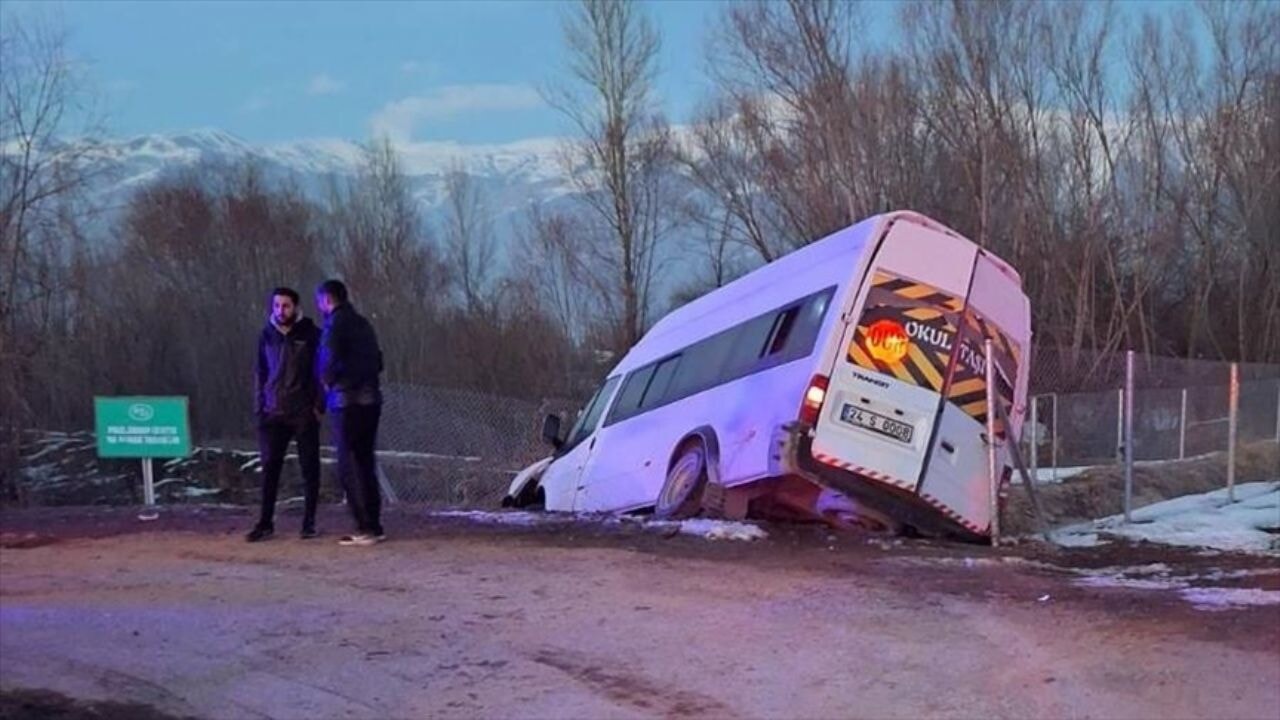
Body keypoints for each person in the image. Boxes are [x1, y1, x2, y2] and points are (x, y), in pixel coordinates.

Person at [247, 287, 323, 542]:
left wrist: (319, 406)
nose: (281, 310)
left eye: (286, 305)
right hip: (272, 412)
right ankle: (265, 523)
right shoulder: (266, 335)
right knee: (270, 469)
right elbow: (260, 373)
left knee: (309, 468)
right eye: (277, 306)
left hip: (303, 411)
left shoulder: (311, 334)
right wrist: (259, 407)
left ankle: (309, 522)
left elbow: (321, 372)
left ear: (296, 307)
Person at [315, 279, 387, 546]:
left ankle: (365, 526)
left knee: (349, 464)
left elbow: (327, 360)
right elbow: (378, 360)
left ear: (326, 299)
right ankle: (374, 523)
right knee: (366, 461)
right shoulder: (364, 324)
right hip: (371, 398)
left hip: (346, 400)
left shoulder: (334, 325)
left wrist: (327, 382)